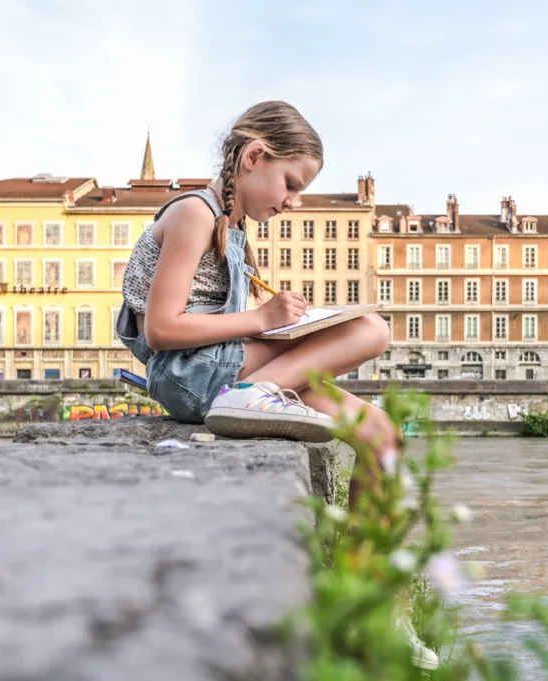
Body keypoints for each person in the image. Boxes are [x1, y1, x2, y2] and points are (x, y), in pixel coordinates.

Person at [114, 101, 437, 670]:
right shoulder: (194, 212)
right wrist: (265, 320)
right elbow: (163, 330)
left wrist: (276, 321)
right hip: (195, 375)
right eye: (290, 183)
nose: (291, 201)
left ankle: (366, 605)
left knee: (383, 438)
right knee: (371, 328)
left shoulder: (232, 228)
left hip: (233, 370)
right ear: (256, 157)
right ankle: (253, 397)